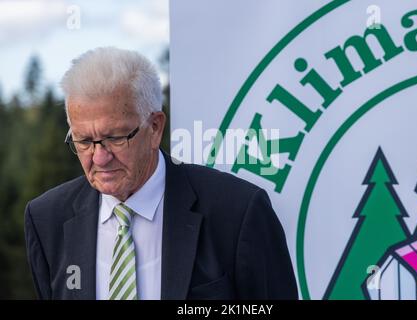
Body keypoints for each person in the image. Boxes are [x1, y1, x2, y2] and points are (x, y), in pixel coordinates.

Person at [24, 47, 298, 300]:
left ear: (155, 127)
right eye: (84, 141)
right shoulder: (47, 219)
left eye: (116, 138)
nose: (99, 157)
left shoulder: (237, 212)